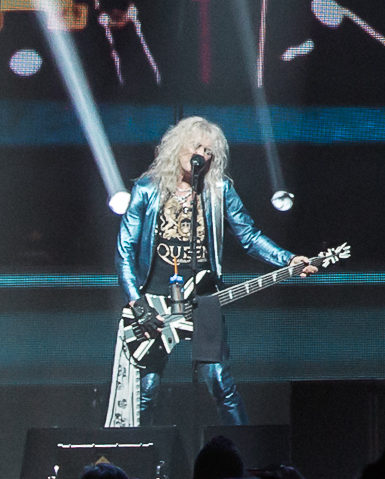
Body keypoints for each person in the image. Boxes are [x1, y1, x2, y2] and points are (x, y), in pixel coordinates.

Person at [109, 115, 311, 427]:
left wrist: (288, 259)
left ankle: (241, 450)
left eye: (208, 151)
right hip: (154, 302)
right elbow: (125, 249)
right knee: (145, 390)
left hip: (204, 299)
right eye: (196, 146)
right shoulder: (148, 189)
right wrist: (136, 303)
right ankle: (139, 452)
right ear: (178, 147)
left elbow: (249, 236)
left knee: (220, 383)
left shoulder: (219, 190)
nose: (201, 154)